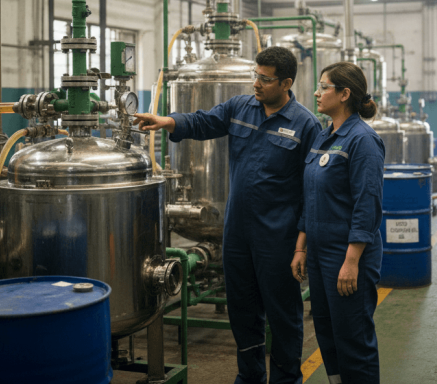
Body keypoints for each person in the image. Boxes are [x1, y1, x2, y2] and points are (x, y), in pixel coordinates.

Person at [134, 46, 322, 384]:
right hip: (236, 232)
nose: (257, 84)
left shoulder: (305, 124)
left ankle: (285, 379)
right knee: (243, 311)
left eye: (265, 79)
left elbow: (313, 190)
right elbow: (204, 121)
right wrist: (167, 121)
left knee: (282, 314)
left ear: (286, 83)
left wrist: (302, 245)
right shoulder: (240, 107)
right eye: (255, 75)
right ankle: (249, 377)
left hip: (277, 237)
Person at [291, 62, 385, 384]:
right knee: (328, 335)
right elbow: (311, 196)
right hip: (319, 255)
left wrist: (351, 261)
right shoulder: (323, 136)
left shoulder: (363, 140)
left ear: (344, 94)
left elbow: (367, 204)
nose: (316, 93)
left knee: (353, 340)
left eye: (324, 87)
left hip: (347, 256)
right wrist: (301, 248)